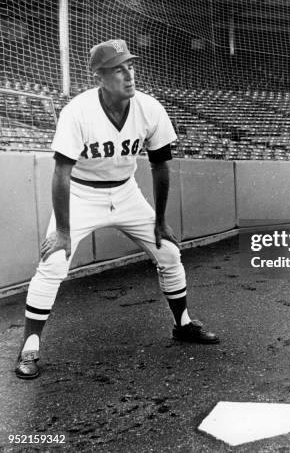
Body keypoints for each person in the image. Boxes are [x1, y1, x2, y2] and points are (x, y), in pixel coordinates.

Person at [15, 39, 219, 380]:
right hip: (81, 194)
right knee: (52, 262)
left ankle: (183, 324)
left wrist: (160, 220)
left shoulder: (149, 108)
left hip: (126, 193)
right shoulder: (77, 112)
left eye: (130, 66)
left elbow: (160, 166)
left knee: (168, 251)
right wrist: (63, 232)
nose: (128, 75)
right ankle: (29, 346)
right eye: (118, 69)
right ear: (99, 77)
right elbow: (61, 175)